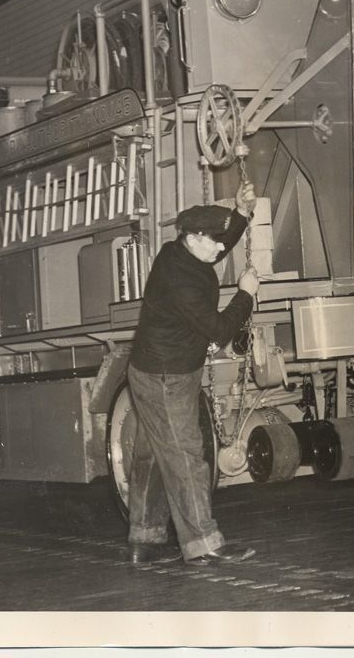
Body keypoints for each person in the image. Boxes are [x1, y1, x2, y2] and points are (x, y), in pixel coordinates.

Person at [125, 181, 260, 566]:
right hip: (166, 379)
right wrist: (245, 295)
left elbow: (218, 242)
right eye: (215, 242)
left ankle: (145, 538)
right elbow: (219, 330)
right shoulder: (183, 280)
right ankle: (203, 543)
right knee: (186, 456)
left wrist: (240, 214)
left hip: (156, 372)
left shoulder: (176, 252)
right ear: (195, 238)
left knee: (152, 457)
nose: (222, 249)